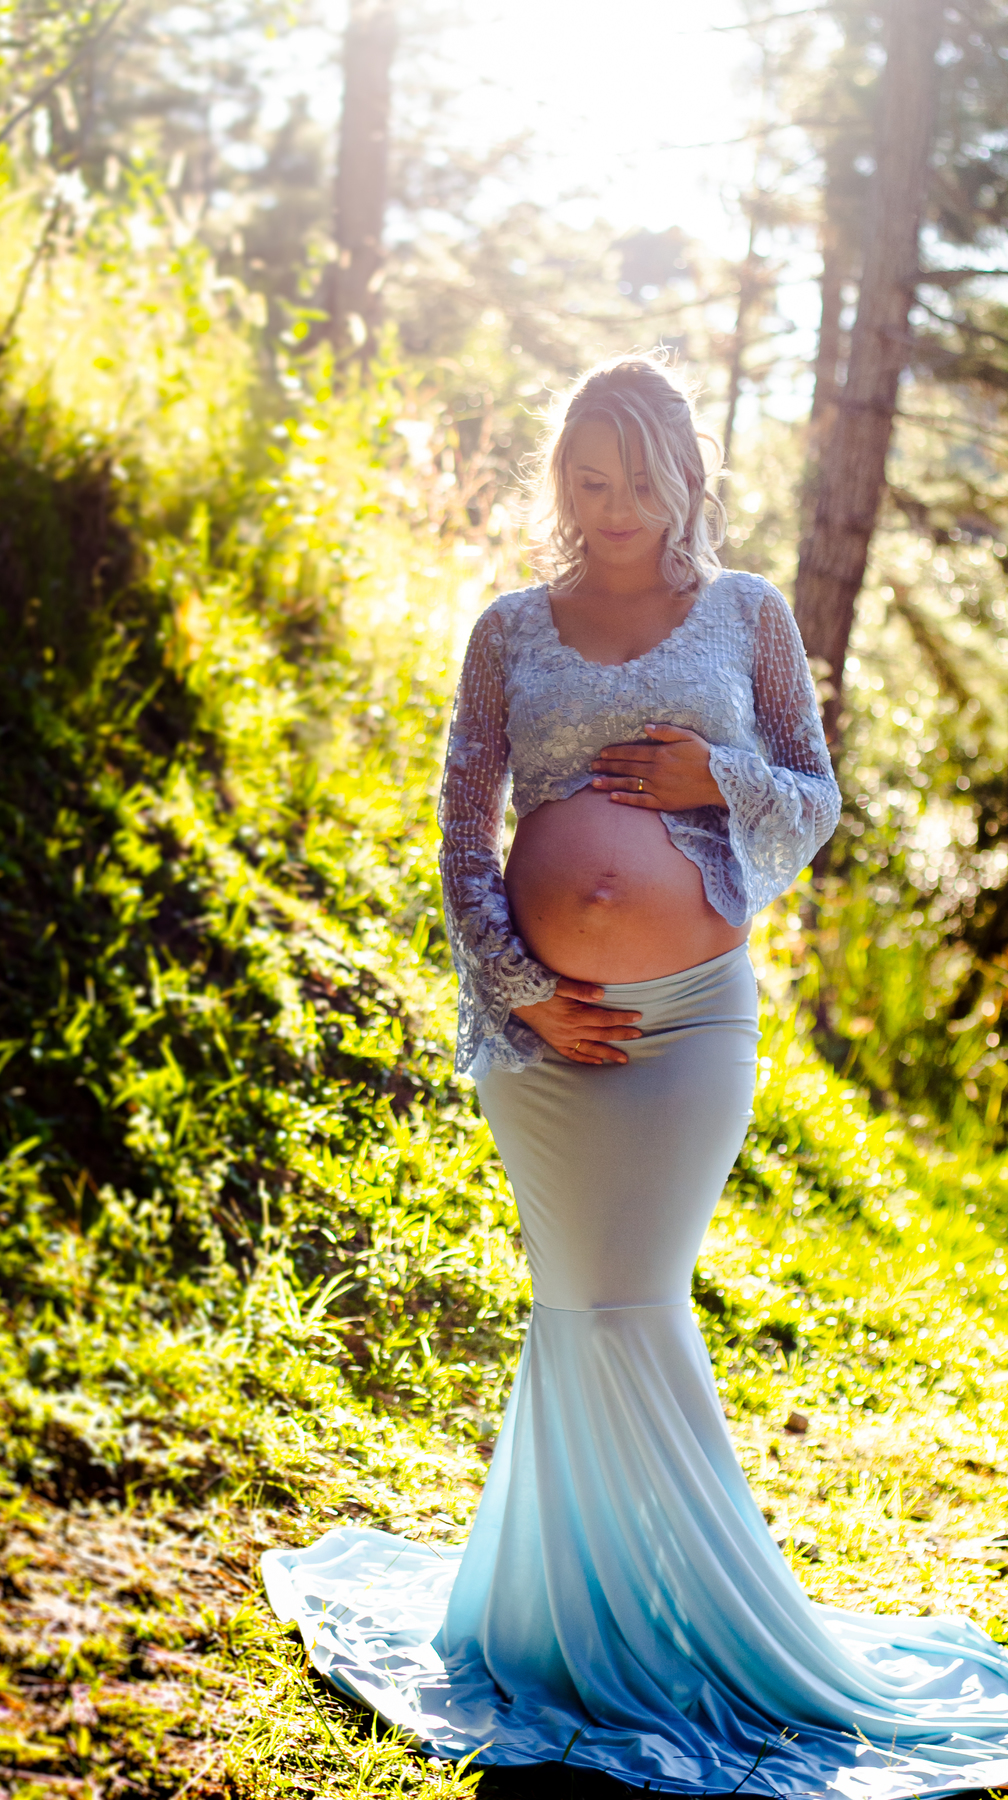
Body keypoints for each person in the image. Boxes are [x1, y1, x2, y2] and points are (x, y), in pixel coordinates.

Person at [263, 356, 1008, 1796]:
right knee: (575, 1304)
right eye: (582, 483)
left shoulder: (746, 616)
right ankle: (551, 1618)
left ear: (681, 472)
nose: (609, 509)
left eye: (633, 480)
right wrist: (524, 988)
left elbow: (816, 795)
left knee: (631, 1297)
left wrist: (707, 784)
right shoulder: (508, 631)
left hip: (687, 1024)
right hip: (541, 1040)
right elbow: (458, 823)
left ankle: (701, 1632)